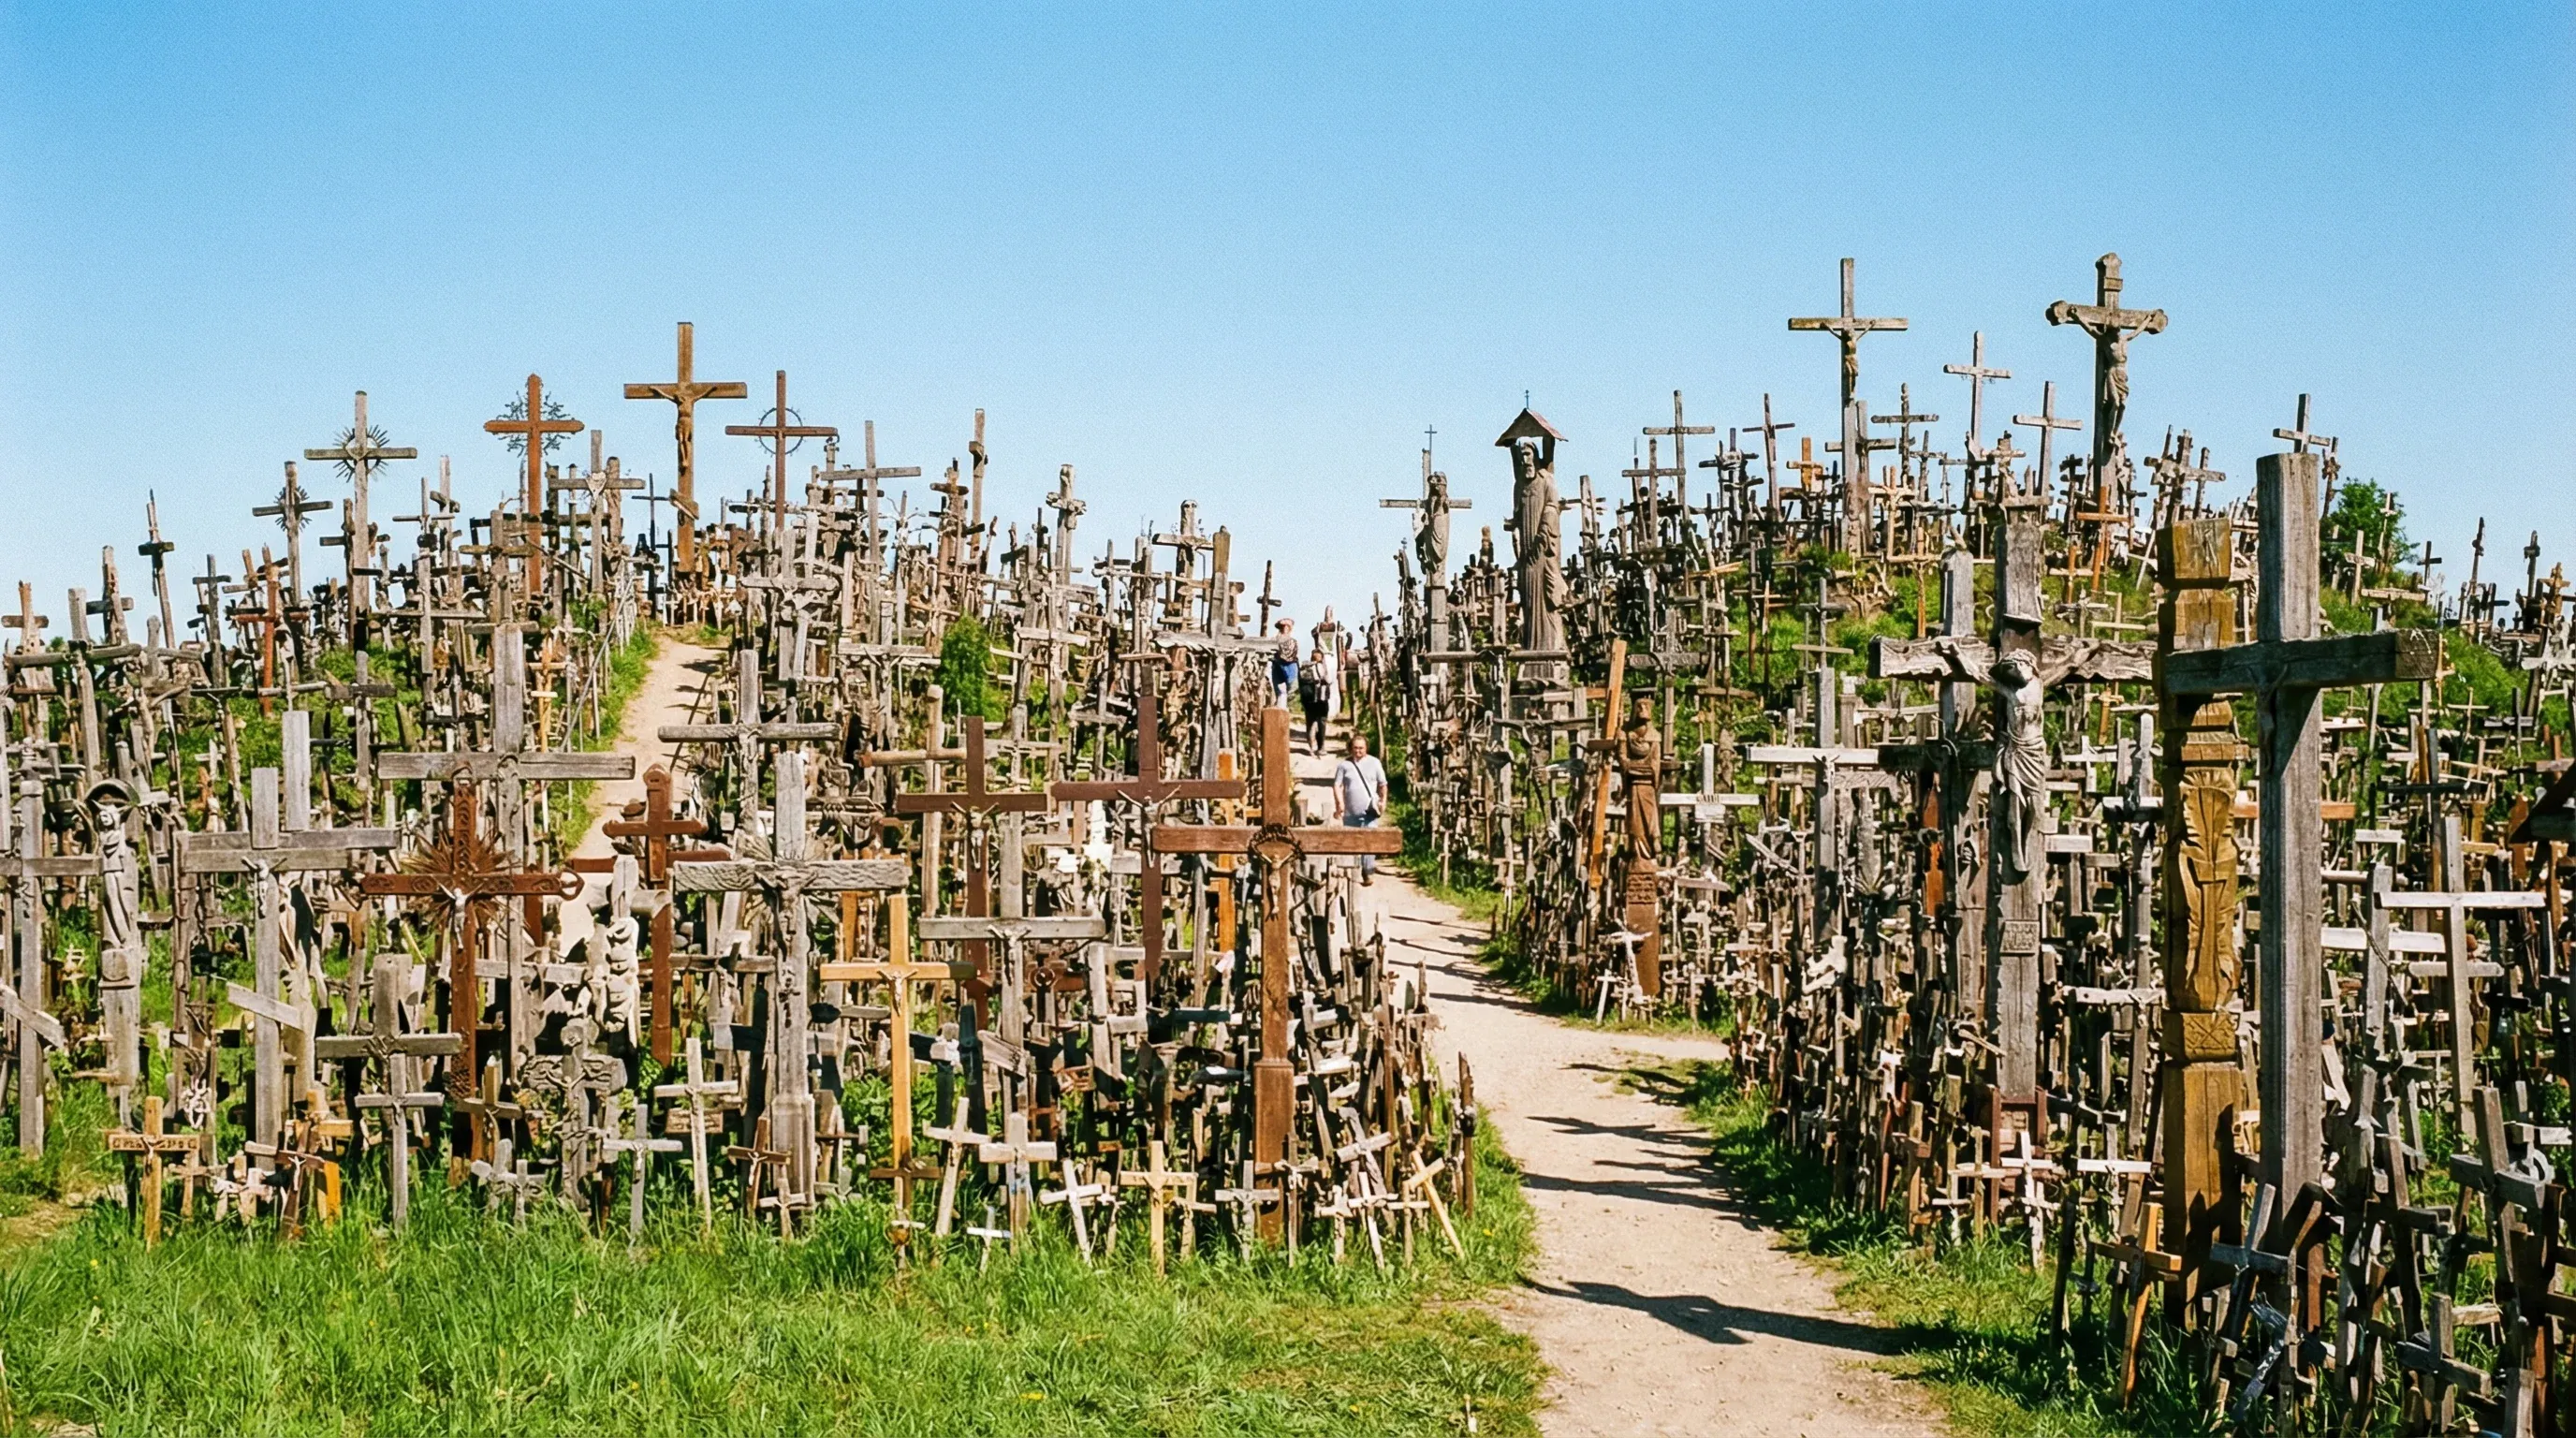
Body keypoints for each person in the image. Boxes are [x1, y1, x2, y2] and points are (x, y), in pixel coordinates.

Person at [1334, 733, 1389, 885]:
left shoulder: (1375, 763)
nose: (1358, 751)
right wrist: (1340, 803)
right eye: (1355, 748)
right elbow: (1337, 785)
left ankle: (1368, 871)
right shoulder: (1344, 765)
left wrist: (1383, 801)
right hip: (1350, 812)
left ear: (1366, 748)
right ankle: (1351, 873)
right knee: (1351, 842)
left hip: (1369, 811)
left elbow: (1383, 784)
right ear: (1351, 748)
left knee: (1369, 841)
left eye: (1361, 748)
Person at [1297, 647, 1330, 751]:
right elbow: (1328, 680)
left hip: (1309, 699)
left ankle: (1311, 744)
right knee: (1322, 722)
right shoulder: (1322, 666)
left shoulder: (1305, 667)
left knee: (1310, 722)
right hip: (1321, 698)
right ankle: (1321, 747)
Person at [1270, 618, 1299, 710]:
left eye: (1287, 626)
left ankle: (1285, 707)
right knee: (1280, 690)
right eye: (1283, 627)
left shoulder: (1292, 641)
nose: (1285, 628)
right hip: (1279, 665)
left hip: (1289, 665)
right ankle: (1281, 708)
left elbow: (1292, 654)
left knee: (1292, 688)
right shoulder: (1276, 640)